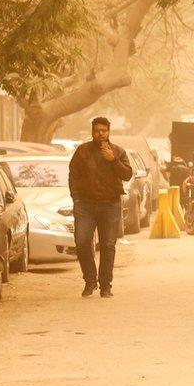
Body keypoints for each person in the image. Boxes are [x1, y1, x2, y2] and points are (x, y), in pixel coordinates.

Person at [68, 117, 133, 298]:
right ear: (92, 131)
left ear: (109, 132)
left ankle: (106, 285)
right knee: (82, 242)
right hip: (85, 205)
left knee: (107, 245)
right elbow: (73, 175)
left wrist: (113, 160)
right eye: (97, 130)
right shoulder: (82, 151)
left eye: (104, 130)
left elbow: (127, 175)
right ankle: (90, 280)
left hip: (110, 204)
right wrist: (77, 198)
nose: (100, 133)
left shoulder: (118, 152)